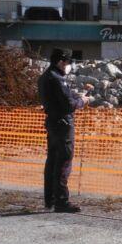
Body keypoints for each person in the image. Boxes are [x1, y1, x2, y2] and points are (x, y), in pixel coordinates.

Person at [38, 48, 86, 213]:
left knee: (52, 160)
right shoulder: (58, 79)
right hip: (63, 124)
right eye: (68, 62)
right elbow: (69, 104)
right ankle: (61, 201)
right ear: (61, 62)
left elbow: (63, 98)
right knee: (64, 160)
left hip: (52, 122)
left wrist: (75, 97)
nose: (69, 65)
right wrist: (82, 101)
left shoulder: (45, 77)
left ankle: (50, 199)